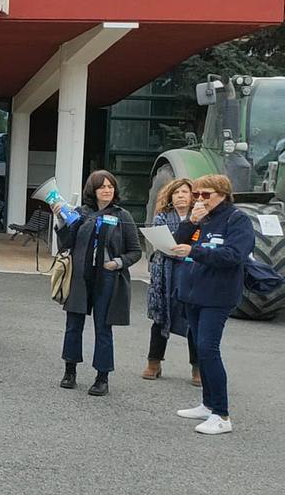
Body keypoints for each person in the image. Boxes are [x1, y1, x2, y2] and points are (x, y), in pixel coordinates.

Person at [171, 174, 254, 435]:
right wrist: (190, 221)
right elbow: (177, 242)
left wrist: (195, 252)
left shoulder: (236, 219)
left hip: (217, 296)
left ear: (222, 194)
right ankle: (208, 404)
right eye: (196, 194)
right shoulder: (201, 218)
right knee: (198, 346)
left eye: (205, 195)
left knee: (208, 349)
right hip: (194, 292)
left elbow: (234, 255)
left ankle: (221, 414)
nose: (199, 200)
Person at [55, 170, 141, 396]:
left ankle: (102, 377)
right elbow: (65, 244)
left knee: (104, 329)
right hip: (80, 277)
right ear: (92, 190)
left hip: (108, 279)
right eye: (102, 187)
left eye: (110, 186)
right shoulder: (80, 213)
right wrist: (61, 221)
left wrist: (118, 262)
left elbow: (135, 251)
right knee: (73, 326)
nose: (107, 190)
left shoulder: (123, 216)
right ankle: (69, 371)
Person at [145, 178, 200, 384]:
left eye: (185, 192)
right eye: (176, 193)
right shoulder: (162, 217)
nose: (180, 196)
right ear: (170, 197)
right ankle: (154, 362)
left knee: (193, 321)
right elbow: (164, 244)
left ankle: (197, 367)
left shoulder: (202, 218)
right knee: (160, 318)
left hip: (192, 271)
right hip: (166, 272)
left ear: (192, 196)